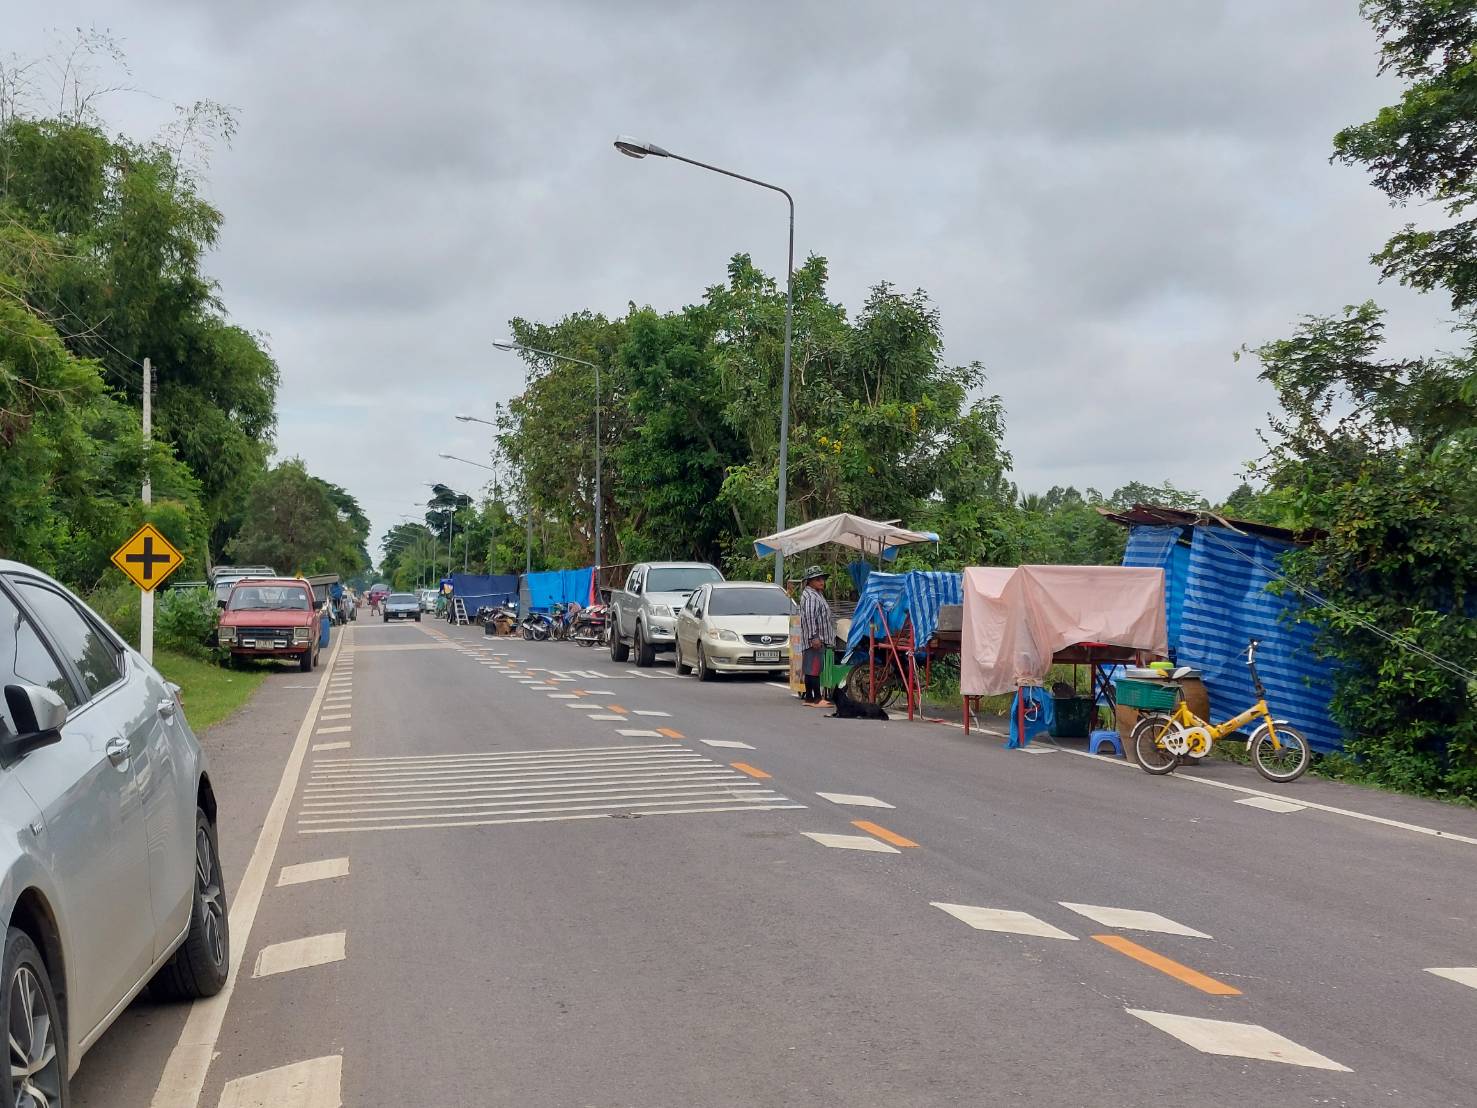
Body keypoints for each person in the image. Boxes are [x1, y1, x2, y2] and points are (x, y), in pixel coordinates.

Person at [799, 565, 835, 707]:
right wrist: (814, 637)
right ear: (809, 581)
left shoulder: (816, 594)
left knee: (811, 669)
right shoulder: (811, 597)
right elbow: (809, 617)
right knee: (814, 668)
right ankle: (817, 699)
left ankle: (809, 698)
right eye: (817, 579)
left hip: (816, 638)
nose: (822, 582)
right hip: (815, 638)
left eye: (822, 579)